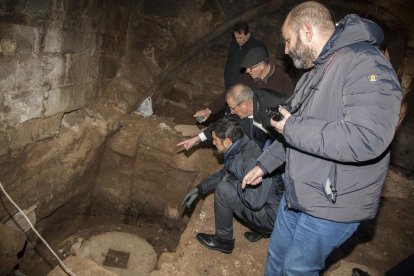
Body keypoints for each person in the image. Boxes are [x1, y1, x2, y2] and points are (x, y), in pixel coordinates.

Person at [242, 1, 402, 275]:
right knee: (277, 256)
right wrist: (264, 164)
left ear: (306, 31)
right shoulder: (315, 73)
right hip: (299, 191)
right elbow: (291, 128)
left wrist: (292, 126)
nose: (285, 49)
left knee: (297, 269)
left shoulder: (365, 63)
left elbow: (368, 138)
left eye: (287, 40)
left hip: (332, 203)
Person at [180, 118, 283, 254]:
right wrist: (200, 189)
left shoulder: (250, 159)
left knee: (224, 189)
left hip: (271, 216)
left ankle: (224, 241)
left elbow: (254, 202)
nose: (213, 143)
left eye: (215, 140)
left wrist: (232, 180)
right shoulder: (241, 145)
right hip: (271, 206)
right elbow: (227, 172)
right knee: (228, 181)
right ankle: (262, 230)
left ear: (227, 141)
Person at [194, 47, 295, 123]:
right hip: (252, 121)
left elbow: (291, 106)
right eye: (246, 68)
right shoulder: (249, 76)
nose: (247, 71)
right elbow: (233, 93)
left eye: (250, 68)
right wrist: (209, 110)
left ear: (262, 65)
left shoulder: (285, 79)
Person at [178, 83, 287, 151]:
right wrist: (197, 139)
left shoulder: (275, 103)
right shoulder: (240, 113)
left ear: (244, 104)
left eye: (233, 108)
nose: (232, 112)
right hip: (269, 145)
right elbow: (222, 123)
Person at [224, 22, 268, 90]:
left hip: (246, 86)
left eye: (240, 37)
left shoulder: (258, 47)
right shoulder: (233, 44)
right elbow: (229, 63)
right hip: (230, 84)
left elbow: (262, 68)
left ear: (248, 34)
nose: (237, 40)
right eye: (235, 37)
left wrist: (241, 74)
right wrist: (227, 76)